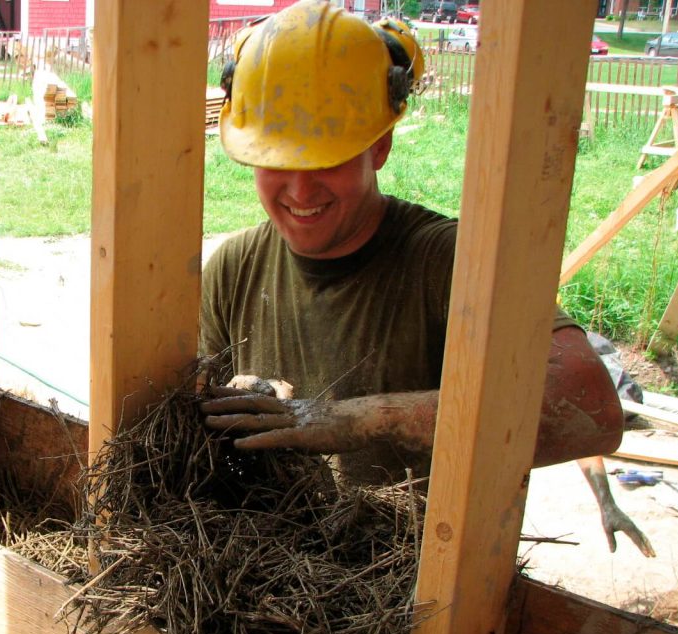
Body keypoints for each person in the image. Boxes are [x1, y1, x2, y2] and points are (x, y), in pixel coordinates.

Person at [199, 0, 623, 488]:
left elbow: (592, 406)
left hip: (418, 559)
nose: (299, 190)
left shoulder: (450, 263)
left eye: (326, 161)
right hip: (270, 557)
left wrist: (352, 421)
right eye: (275, 160)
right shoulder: (235, 269)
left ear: (379, 147)